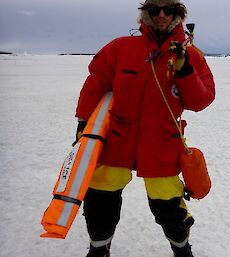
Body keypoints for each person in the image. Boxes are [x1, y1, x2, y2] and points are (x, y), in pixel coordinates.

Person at [74, 0, 215, 256]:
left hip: (162, 143)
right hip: (116, 140)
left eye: (168, 9)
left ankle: (182, 249)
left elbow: (202, 100)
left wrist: (186, 73)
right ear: (145, 13)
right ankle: (99, 248)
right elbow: (95, 84)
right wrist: (83, 123)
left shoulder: (191, 55)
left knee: (169, 206)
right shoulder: (121, 48)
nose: (161, 15)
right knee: (100, 201)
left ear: (178, 14)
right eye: (154, 10)